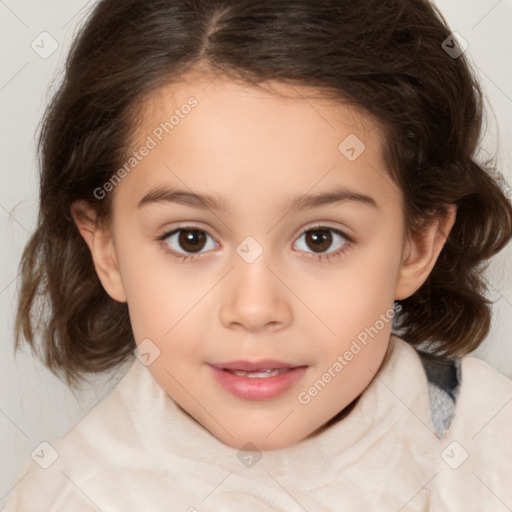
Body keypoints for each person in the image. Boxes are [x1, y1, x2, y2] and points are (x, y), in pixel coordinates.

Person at [4, 0, 512, 510]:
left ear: (416, 245)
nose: (254, 309)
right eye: (190, 239)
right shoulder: (66, 494)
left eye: (320, 239)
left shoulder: (492, 453)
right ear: (108, 251)